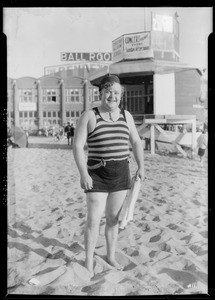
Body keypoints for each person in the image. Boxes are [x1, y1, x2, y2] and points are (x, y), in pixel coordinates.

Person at [73, 74, 145, 275]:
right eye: (108, 92)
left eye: (116, 92)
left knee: (113, 219)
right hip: (96, 174)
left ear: (121, 95)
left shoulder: (126, 116)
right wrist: (83, 173)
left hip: (121, 173)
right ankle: (88, 260)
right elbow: (78, 146)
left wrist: (141, 166)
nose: (112, 96)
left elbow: (137, 142)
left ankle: (110, 256)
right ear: (101, 93)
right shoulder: (89, 115)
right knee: (94, 219)